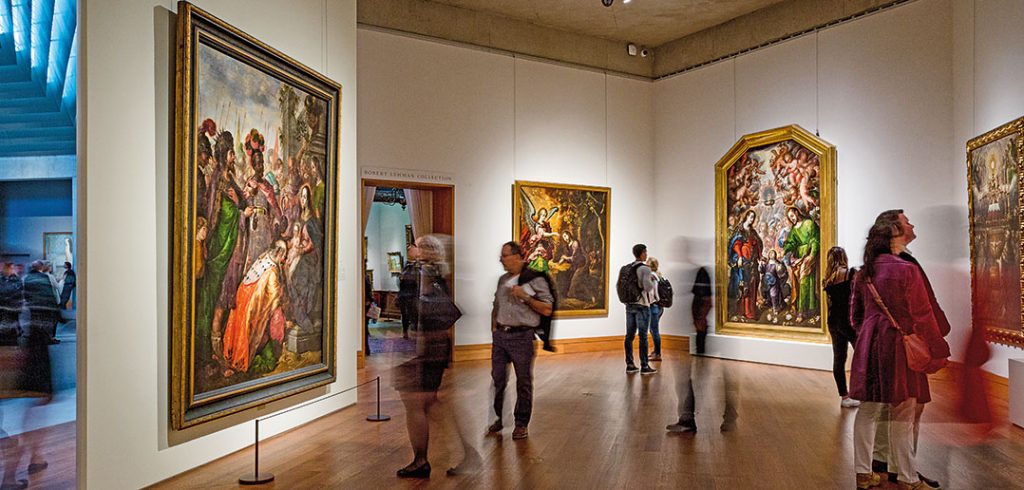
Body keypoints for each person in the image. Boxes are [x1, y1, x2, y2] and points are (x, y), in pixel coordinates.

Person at [849, 210, 950, 490]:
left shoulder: (864, 272)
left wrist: (869, 334)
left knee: (868, 409)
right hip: (898, 345)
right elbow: (922, 314)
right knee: (903, 412)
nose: (912, 224)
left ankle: (863, 473)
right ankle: (906, 477)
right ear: (894, 230)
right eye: (907, 221)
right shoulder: (906, 269)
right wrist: (939, 347)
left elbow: (855, 316)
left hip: (870, 345)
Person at [394, 235, 459, 478]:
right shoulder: (438, 273)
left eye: (416, 244)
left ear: (425, 251)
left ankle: (422, 460)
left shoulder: (422, 273)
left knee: (416, 404)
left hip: (425, 346)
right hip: (433, 345)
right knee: (427, 403)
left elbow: (410, 305)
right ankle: (458, 451)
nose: (411, 247)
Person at [489, 241, 553, 440]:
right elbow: (496, 305)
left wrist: (524, 296)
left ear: (518, 256)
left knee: (523, 381)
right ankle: (498, 418)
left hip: (522, 336)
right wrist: (494, 328)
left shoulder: (535, 279)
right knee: (498, 379)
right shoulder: (502, 280)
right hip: (501, 336)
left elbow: (546, 308)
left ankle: (521, 423)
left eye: (505, 255)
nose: (501, 260)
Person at [221, 241, 290, 376]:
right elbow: (274, 293)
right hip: (250, 302)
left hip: (243, 294)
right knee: (248, 329)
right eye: (283, 256)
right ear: (280, 253)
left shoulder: (264, 257)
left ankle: (233, 355)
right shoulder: (272, 270)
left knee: (240, 327)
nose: (283, 259)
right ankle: (240, 358)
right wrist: (282, 297)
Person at [823, 247, 859, 408]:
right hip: (848, 321)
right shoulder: (850, 273)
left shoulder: (828, 279)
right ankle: (862, 392)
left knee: (839, 359)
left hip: (833, 322)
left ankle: (844, 397)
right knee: (862, 356)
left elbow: (829, 305)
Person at [623, 244, 657, 374]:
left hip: (629, 304)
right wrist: (652, 280)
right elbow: (648, 288)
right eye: (645, 252)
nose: (646, 254)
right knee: (643, 336)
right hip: (642, 305)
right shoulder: (645, 269)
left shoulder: (627, 268)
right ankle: (644, 366)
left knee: (629, 336)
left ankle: (630, 364)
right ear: (642, 253)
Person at [782, 206, 820, 323]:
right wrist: (786, 250)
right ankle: (803, 308)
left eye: (792, 216)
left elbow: (815, 239)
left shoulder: (808, 223)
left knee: (805, 282)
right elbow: (791, 243)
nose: (792, 219)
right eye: (790, 218)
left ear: (797, 212)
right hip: (798, 257)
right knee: (798, 283)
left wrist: (812, 255)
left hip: (808, 256)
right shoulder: (794, 229)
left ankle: (802, 311)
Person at [22, 261, 58, 345]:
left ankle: (34, 339)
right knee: (45, 322)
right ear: (41, 267)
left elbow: (26, 292)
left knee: (34, 321)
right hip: (44, 304)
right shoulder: (44, 277)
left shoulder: (27, 277)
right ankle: (45, 339)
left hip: (33, 305)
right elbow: (48, 292)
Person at [397, 243, 421, 340]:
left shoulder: (418, 266)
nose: (409, 252)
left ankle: (415, 333)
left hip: (413, 295)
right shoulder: (405, 266)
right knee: (405, 316)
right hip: (404, 295)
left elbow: (418, 280)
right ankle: (405, 331)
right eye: (408, 250)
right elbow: (400, 280)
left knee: (414, 315)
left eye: (411, 250)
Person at [646, 257, 664, 361]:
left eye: (647, 262)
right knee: (653, 330)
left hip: (654, 306)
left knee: (654, 330)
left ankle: (657, 354)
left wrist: (651, 302)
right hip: (659, 306)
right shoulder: (658, 275)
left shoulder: (652, 276)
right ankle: (656, 352)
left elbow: (654, 293)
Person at [691, 267, 712, 354]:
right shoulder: (706, 297)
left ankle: (700, 350)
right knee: (701, 329)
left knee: (700, 330)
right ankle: (700, 350)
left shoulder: (699, 296)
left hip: (700, 300)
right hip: (703, 300)